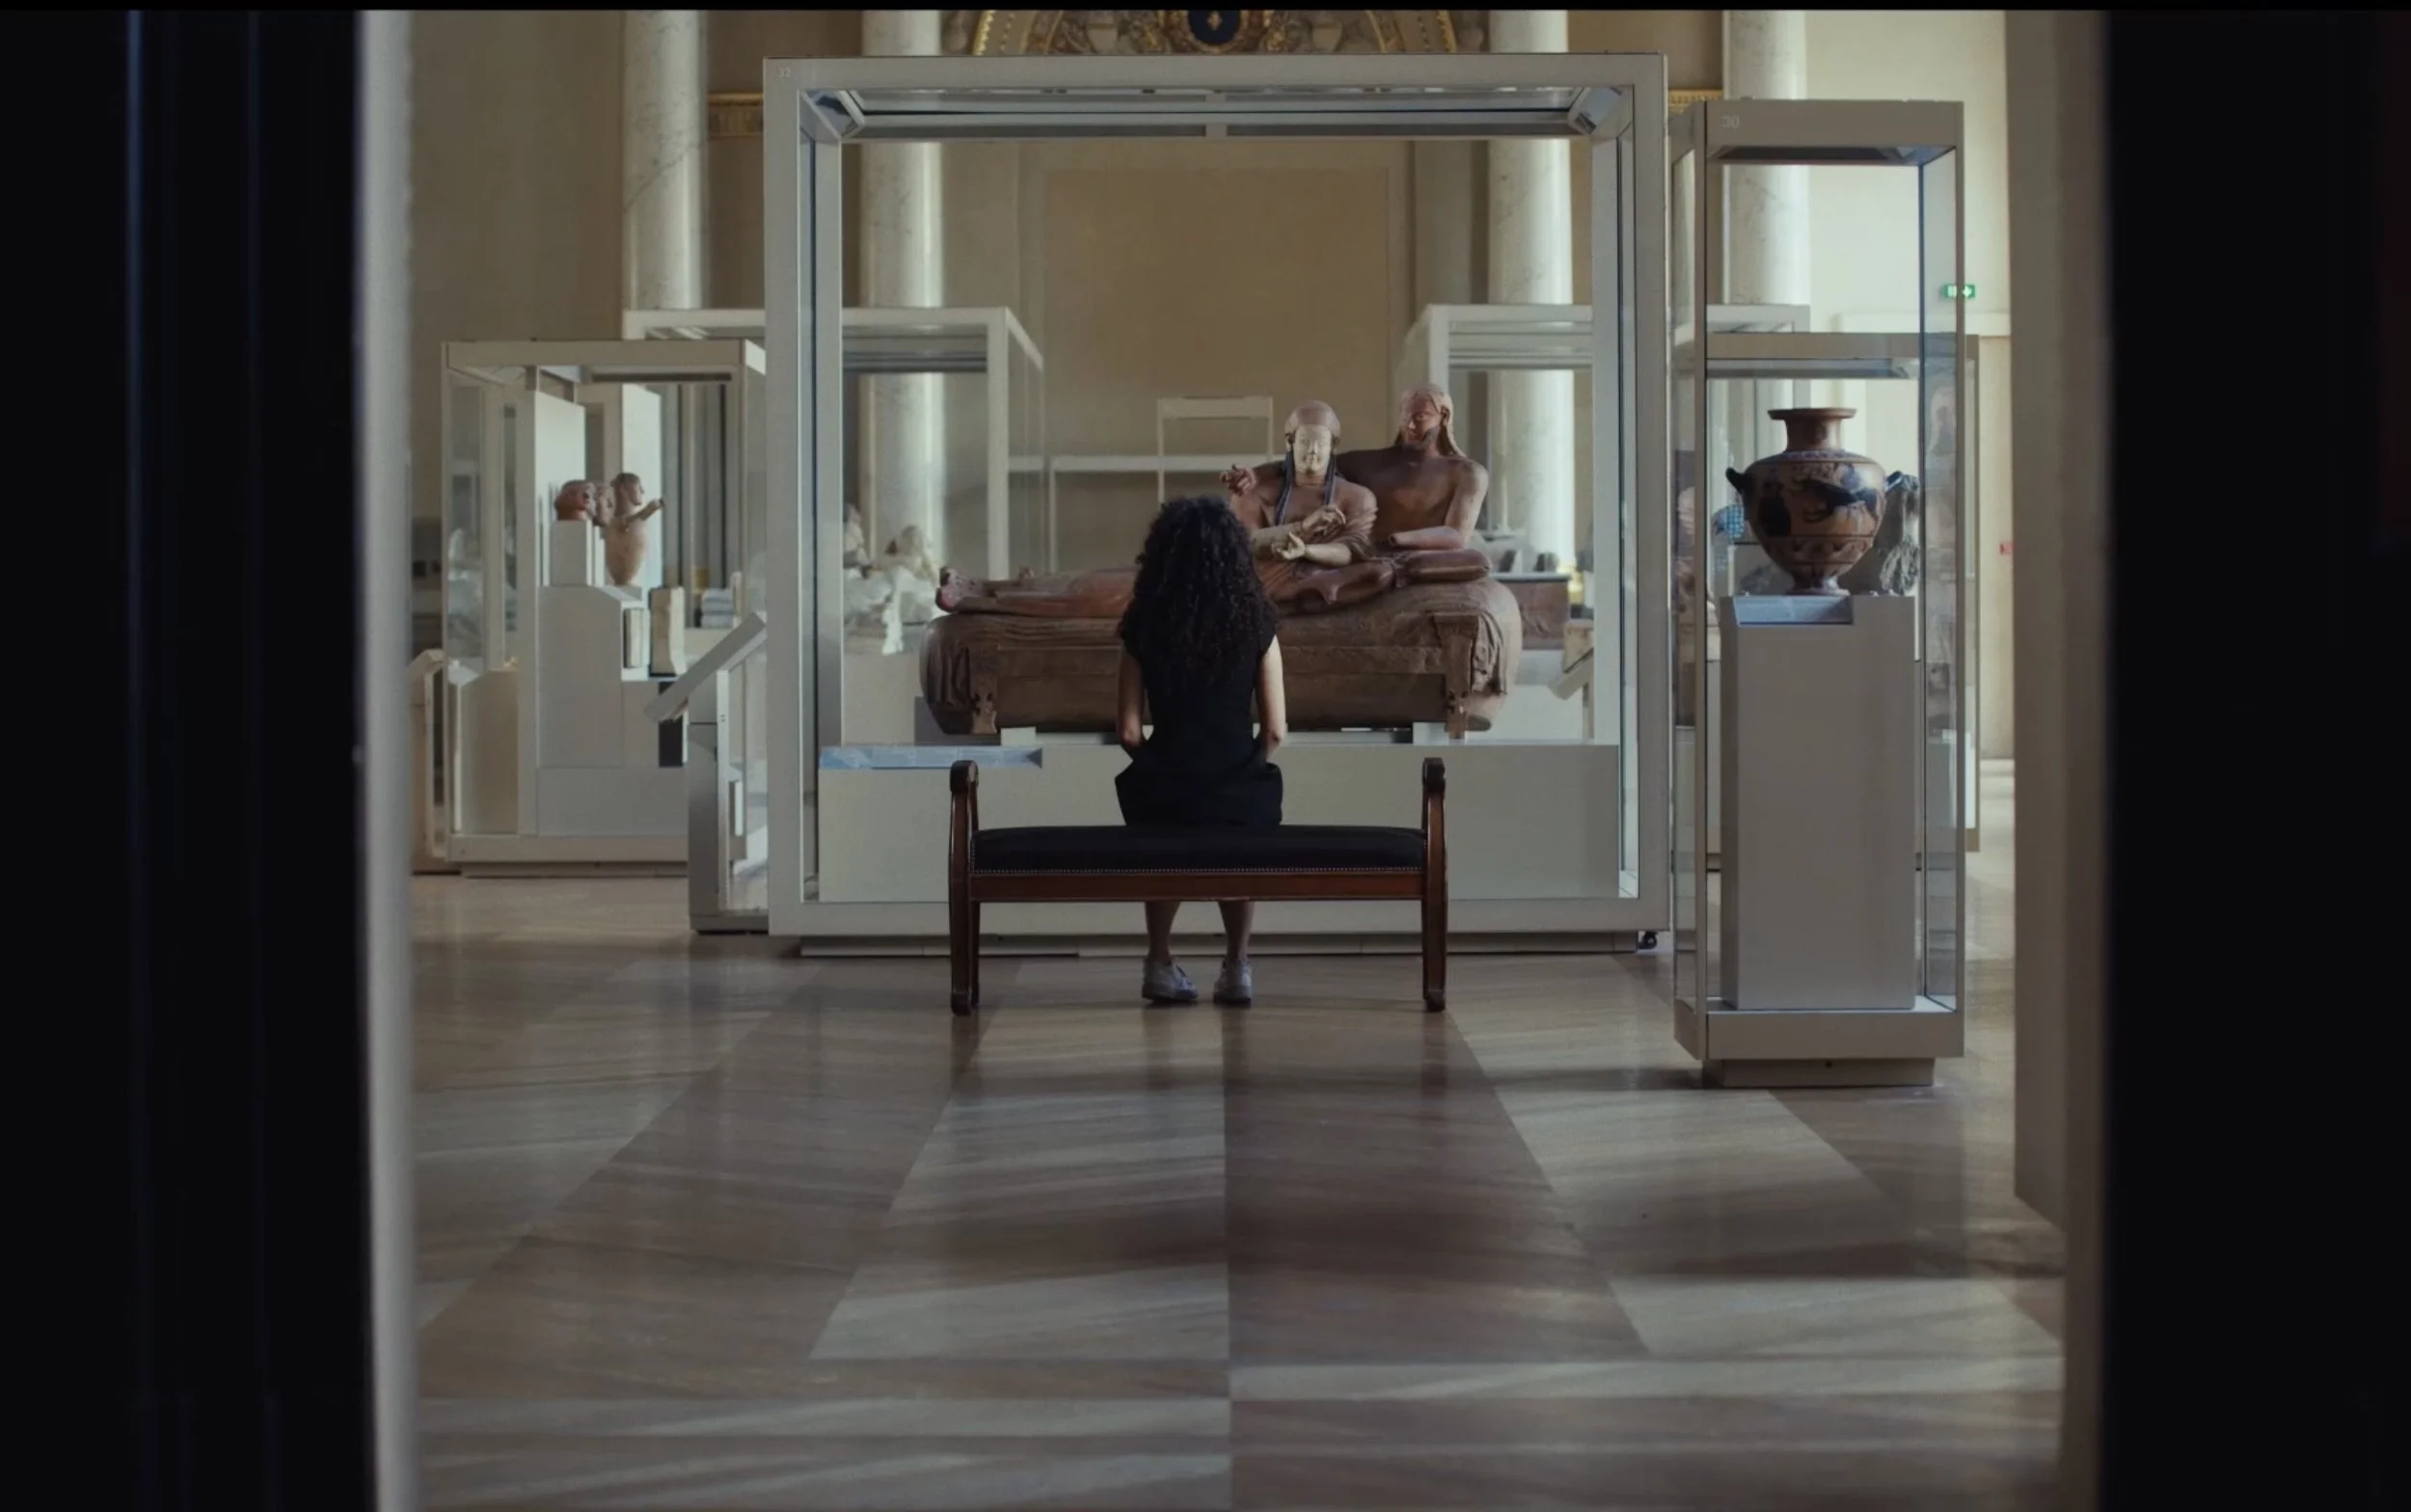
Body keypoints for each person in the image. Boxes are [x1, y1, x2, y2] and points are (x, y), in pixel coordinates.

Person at [1114, 496, 1288, 1007]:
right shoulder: (1257, 624)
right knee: (1241, 850)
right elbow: (1275, 729)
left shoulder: (1143, 626)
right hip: (1237, 784)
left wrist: (1162, 767)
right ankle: (1236, 967)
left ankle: (1160, 962)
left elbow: (1127, 731)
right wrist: (1247, 765)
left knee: (1162, 846)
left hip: (1165, 786)